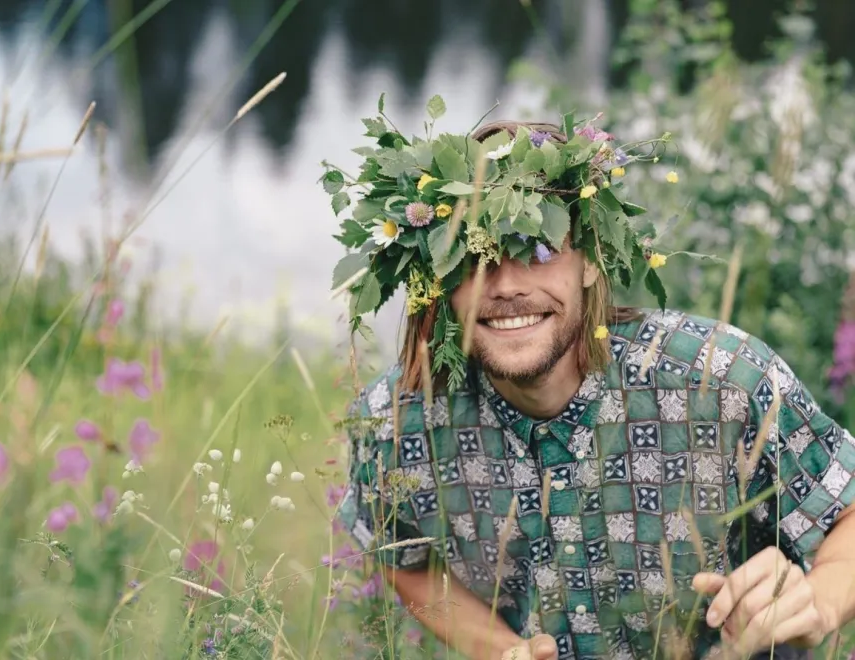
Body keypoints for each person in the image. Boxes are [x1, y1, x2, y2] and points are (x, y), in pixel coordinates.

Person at [324, 106, 855, 660]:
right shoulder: (396, 420)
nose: (504, 285)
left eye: (538, 246)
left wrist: (817, 602)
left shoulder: (721, 381)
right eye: (472, 255)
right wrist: (501, 649)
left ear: (591, 261)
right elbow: (401, 558)